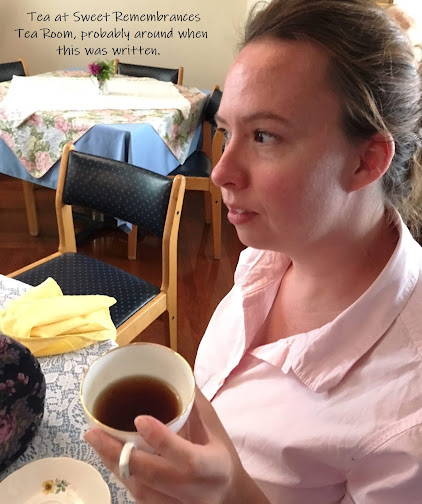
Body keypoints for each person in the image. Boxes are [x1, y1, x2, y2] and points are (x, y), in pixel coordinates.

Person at [85, 0, 422, 502]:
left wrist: (232, 495)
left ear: (365, 160)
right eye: (226, 132)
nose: (221, 171)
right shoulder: (272, 255)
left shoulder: (408, 419)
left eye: (264, 136)